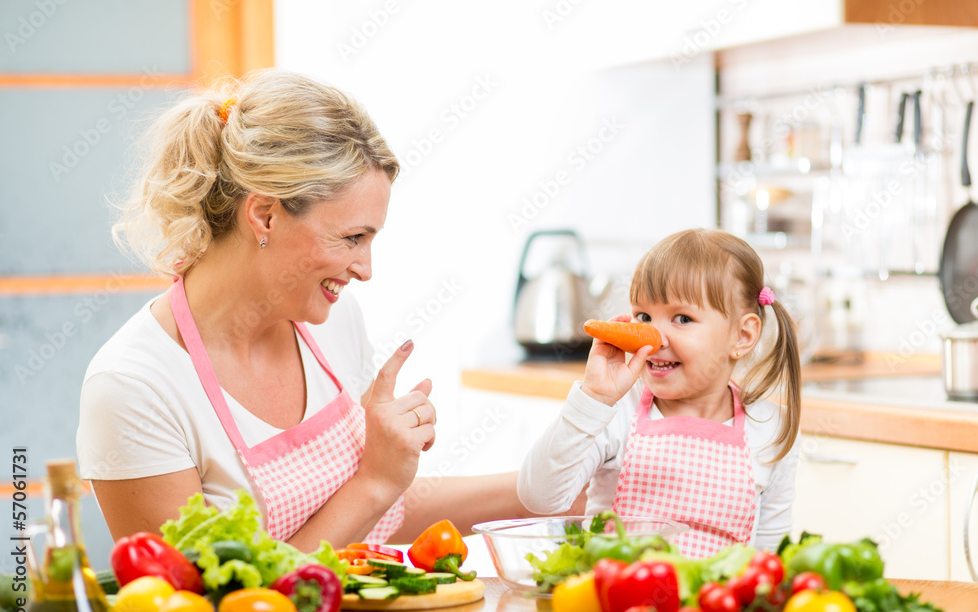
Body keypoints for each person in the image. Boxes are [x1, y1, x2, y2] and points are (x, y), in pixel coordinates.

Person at [77, 69, 549, 552]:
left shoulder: (333, 323)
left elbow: (376, 520)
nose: (365, 269)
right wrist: (375, 482)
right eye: (351, 238)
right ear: (265, 215)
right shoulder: (133, 388)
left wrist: (554, 483)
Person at [518, 228, 802, 557]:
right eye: (644, 316)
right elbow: (538, 498)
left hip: (711, 608)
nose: (654, 337)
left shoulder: (772, 427)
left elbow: (770, 554)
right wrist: (593, 399)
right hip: (617, 603)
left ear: (742, 335)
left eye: (682, 318)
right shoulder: (615, 411)